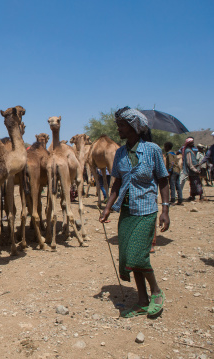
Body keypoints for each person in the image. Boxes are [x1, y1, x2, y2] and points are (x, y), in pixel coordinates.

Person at [99, 107, 170, 319]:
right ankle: (142, 300)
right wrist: (107, 207)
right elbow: (117, 183)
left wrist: (165, 209)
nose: (118, 128)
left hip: (147, 210)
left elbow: (163, 179)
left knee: (138, 255)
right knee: (130, 257)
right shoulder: (120, 153)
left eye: (121, 125)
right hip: (127, 212)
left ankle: (156, 291)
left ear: (134, 127)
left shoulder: (153, 150)